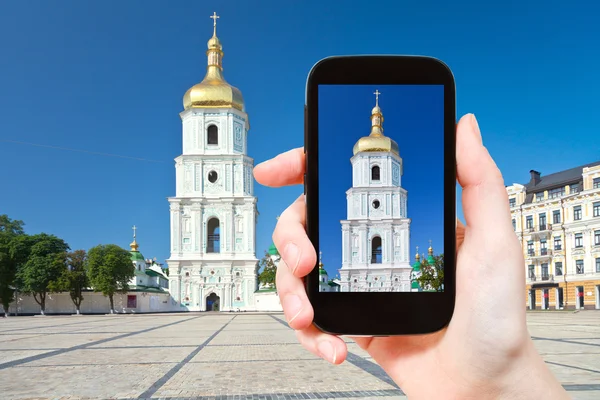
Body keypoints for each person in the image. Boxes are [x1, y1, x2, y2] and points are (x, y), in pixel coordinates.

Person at [254, 114, 569, 399]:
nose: (376, 172)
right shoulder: (355, 216)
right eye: (372, 167)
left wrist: (505, 380)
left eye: (379, 167)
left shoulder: (398, 217)